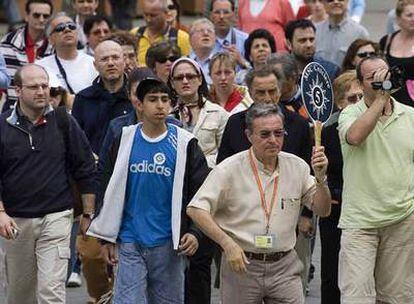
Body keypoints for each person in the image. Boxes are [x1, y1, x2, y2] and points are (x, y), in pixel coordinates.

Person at [187, 102, 331, 304]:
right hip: (242, 265)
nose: (273, 140)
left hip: (284, 265)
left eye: (279, 133)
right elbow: (196, 209)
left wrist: (321, 179)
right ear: (249, 136)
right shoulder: (229, 169)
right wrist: (227, 244)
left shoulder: (297, 166)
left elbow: (323, 210)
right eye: (265, 134)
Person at [87, 77, 210, 304]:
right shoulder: (122, 138)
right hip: (129, 239)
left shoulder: (185, 143)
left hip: (169, 241)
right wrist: (106, 239)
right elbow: (106, 186)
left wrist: (195, 231)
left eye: (165, 99)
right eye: (153, 99)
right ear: (139, 104)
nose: (160, 105)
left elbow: (201, 192)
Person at [0, 64, 96, 304]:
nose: (41, 91)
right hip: (15, 222)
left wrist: (88, 212)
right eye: (33, 87)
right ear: (18, 90)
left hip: (57, 217)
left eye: (45, 86)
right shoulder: (2, 126)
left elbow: (85, 167)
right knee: (20, 296)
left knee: (50, 292)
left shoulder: (64, 121)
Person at [337, 55, 414, 303]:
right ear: (360, 84)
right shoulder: (349, 114)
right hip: (361, 223)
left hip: (402, 220)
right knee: (356, 297)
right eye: (373, 78)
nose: (382, 81)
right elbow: (355, 137)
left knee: (397, 298)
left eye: (385, 74)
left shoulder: (410, 115)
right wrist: (380, 100)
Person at [72, 40, 132, 303]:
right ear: (95, 64)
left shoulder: (137, 95)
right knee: (91, 254)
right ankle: (100, 296)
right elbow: (76, 143)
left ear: (124, 61)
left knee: (128, 256)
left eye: (115, 57)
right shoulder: (84, 99)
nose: (110, 62)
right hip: (95, 185)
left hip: (132, 182)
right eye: (104, 58)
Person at [320, 70, 362, 304]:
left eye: (360, 98)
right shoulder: (327, 133)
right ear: (338, 102)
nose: (357, 105)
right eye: (351, 99)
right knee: (332, 273)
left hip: (369, 211)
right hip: (336, 212)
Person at [219, 66, 312, 165]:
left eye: (272, 91)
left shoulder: (299, 124)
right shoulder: (235, 123)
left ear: (280, 91)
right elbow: (223, 166)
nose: (267, 98)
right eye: (261, 93)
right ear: (250, 93)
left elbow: (307, 171)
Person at [169, 57, 229, 168]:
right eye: (179, 78)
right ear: (172, 83)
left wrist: (197, 164)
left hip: (209, 177)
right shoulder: (166, 116)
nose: (185, 81)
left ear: (200, 79)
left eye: (190, 76)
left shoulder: (219, 114)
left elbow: (226, 154)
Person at [0, 0, 54, 112]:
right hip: (12, 109)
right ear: (26, 16)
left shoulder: (54, 46)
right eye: (36, 15)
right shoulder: (7, 43)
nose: (41, 19)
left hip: (44, 110)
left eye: (45, 16)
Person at [36, 12, 98, 101]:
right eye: (60, 28)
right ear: (50, 39)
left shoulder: (93, 62)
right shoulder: (40, 67)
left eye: (71, 26)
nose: (67, 30)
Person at [130, 0, 190, 66]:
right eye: (146, 14)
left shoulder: (181, 38)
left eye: (153, 15)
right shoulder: (135, 34)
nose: (148, 19)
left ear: (166, 14)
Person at [379, 0, 414, 107]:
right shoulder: (386, 41)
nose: (413, 19)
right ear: (398, 18)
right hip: (390, 100)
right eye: (409, 15)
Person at [315, 0, 369, 67]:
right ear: (323, 3)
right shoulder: (314, 31)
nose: (336, 2)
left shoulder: (360, 33)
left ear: (348, 2)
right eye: (330, 0)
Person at [209, 0, 250, 70]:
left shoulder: (245, 40)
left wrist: (242, 61)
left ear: (234, 14)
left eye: (226, 12)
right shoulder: (203, 40)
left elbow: (257, 72)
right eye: (217, 12)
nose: (221, 17)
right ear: (211, 15)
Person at [189, 18, 218, 85]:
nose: (206, 33)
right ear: (190, 39)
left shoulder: (222, 63)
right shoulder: (183, 63)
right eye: (201, 31)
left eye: (210, 31)